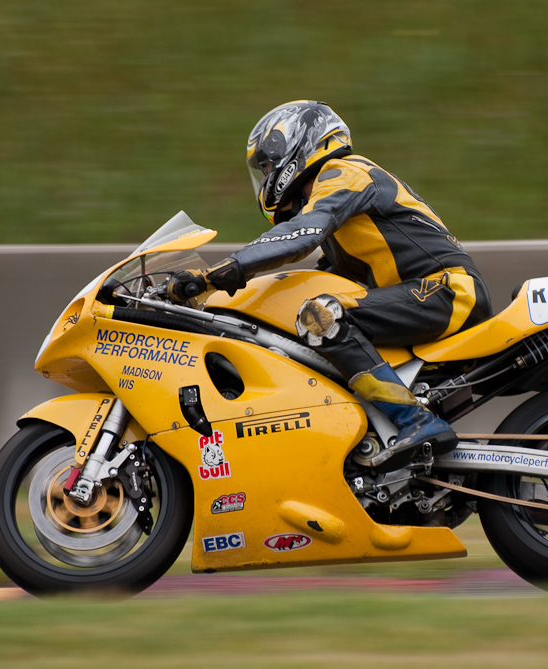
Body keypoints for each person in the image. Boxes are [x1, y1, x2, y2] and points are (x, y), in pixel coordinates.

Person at [168, 100, 492, 472]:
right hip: (429, 295)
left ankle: (415, 422)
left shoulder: (344, 173)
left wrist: (215, 275)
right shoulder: (337, 216)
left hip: (447, 291)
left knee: (321, 316)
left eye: (269, 164)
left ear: (298, 146)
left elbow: (296, 237)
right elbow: (318, 265)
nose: (267, 174)